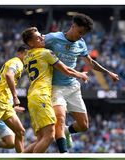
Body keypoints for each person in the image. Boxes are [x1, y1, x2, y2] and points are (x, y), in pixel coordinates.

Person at [45, 13, 120, 152]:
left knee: (84, 126)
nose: (81, 36)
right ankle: (64, 154)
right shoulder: (53, 38)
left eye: (83, 34)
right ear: (73, 26)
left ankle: (67, 132)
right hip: (55, 87)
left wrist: (108, 73)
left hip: (72, 86)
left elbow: (91, 63)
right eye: (80, 32)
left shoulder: (81, 43)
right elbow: (33, 44)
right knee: (60, 119)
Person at [20, 27, 89, 153]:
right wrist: (81, 75)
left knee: (40, 138)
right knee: (49, 136)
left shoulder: (27, 56)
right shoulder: (45, 53)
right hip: (42, 95)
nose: (42, 38)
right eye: (38, 37)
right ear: (30, 43)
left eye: (41, 35)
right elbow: (66, 70)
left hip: (32, 97)